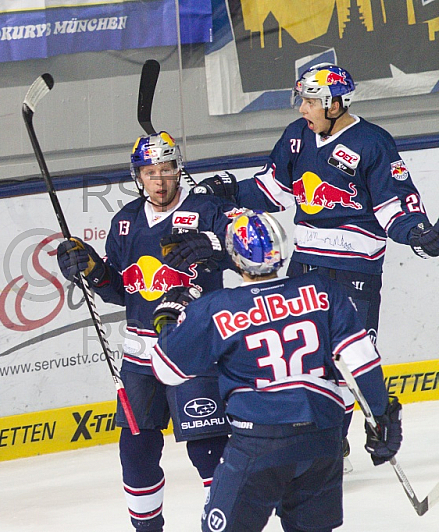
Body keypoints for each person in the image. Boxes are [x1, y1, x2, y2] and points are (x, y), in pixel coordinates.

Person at [193, 62, 437, 470]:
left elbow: (395, 206)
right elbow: (271, 190)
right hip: (305, 267)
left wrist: (417, 233)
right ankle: (326, 444)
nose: (302, 109)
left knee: (351, 361)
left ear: (335, 104)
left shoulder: (373, 143)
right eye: (303, 100)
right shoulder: (297, 137)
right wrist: (229, 188)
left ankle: (367, 424)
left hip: (355, 272)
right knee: (309, 360)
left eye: (310, 101)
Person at [151, 210, 403, 532]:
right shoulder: (324, 290)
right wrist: (381, 414)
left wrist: (168, 322)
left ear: (234, 256)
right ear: (282, 249)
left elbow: (166, 370)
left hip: (259, 442)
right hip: (323, 438)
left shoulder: (217, 307)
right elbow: (362, 362)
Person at [56, 132, 241, 532]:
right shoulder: (125, 221)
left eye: (166, 170)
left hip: (194, 354)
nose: (158, 181)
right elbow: (121, 291)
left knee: (208, 452)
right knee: (136, 452)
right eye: (149, 172)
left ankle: (229, 524)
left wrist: (212, 244)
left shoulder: (209, 209)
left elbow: (248, 248)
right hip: (140, 361)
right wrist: (91, 270)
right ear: (138, 175)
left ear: (179, 170)